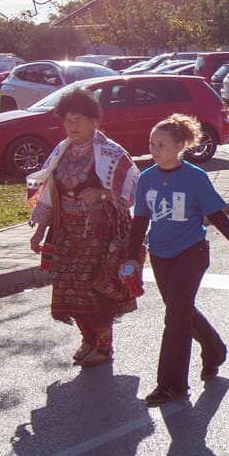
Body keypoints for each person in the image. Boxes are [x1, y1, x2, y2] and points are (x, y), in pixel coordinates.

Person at [124, 114, 229, 407]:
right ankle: (214, 351)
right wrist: (131, 257)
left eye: (161, 144)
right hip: (160, 254)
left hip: (191, 252)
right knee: (180, 310)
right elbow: (139, 221)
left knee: (175, 316)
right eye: (152, 143)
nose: (154, 149)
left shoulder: (195, 178)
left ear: (180, 146)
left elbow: (217, 215)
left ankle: (171, 385)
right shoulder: (146, 179)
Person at [28, 88, 140, 368]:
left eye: (78, 120)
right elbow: (49, 192)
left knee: (97, 289)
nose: (72, 126)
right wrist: (40, 230)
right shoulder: (61, 152)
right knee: (69, 289)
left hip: (100, 235)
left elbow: (131, 191)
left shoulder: (112, 154)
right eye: (67, 121)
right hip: (67, 233)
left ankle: (104, 345)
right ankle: (88, 339)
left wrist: (102, 194)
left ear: (94, 122)